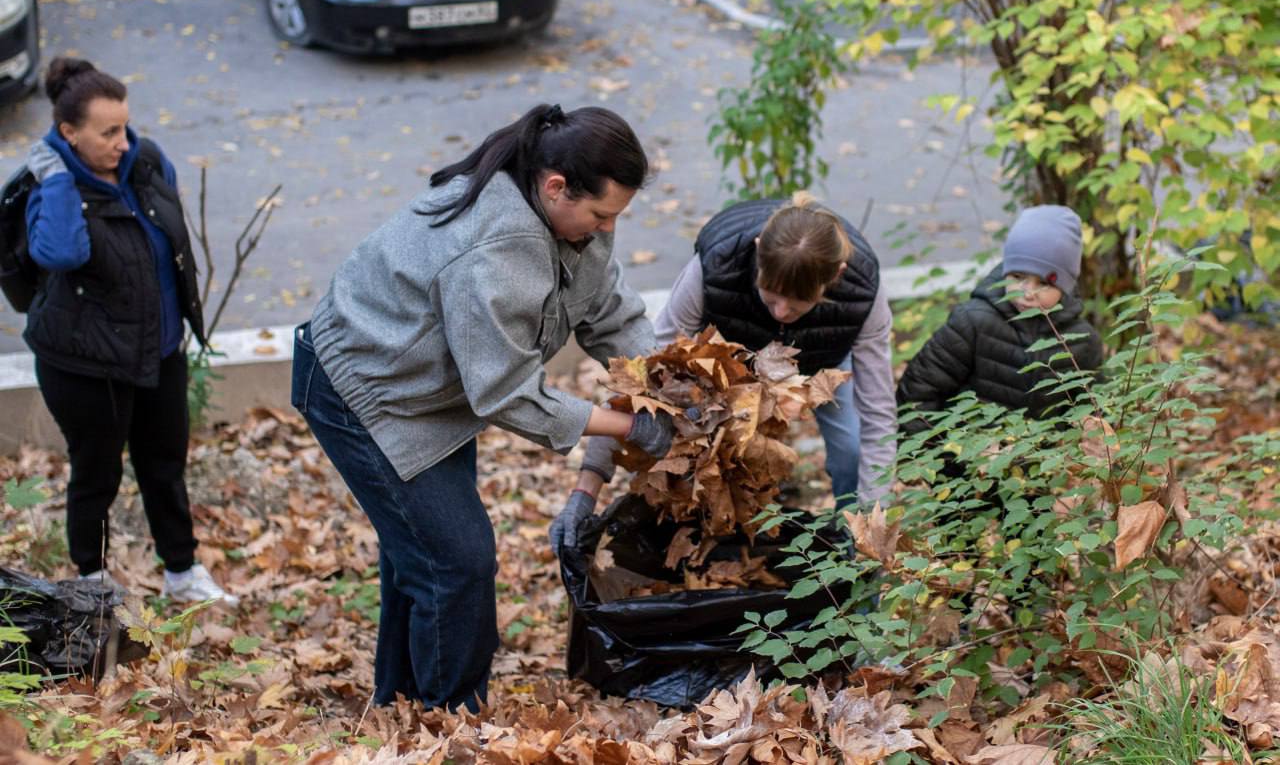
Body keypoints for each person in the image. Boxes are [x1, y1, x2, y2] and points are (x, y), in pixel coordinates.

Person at [293, 103, 674, 712]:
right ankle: (452, 723)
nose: (606, 229)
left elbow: (608, 309)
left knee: (421, 553)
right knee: (458, 563)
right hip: (362, 388)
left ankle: (402, 707)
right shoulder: (496, 244)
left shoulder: (570, 220)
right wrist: (628, 424)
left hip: (428, 387)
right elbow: (503, 389)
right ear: (556, 188)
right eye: (600, 214)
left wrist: (667, 384)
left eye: (615, 217)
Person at [21, 57, 233, 605]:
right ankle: (89, 584)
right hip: (86, 363)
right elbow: (62, 253)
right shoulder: (51, 190)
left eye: (125, 126)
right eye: (107, 132)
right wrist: (61, 179)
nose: (123, 141)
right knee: (95, 475)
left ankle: (182, 573)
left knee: (165, 466)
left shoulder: (145, 163)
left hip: (158, 350)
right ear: (68, 134)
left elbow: (170, 234)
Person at [556, 193, 898, 518]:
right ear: (759, 252)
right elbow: (644, 375)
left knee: (853, 450)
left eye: (797, 306)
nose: (780, 312)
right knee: (706, 455)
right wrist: (587, 486)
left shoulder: (862, 292)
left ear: (835, 276)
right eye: (771, 296)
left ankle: (852, 542)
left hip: (824, 360)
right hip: (730, 365)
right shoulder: (717, 264)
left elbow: (878, 413)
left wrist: (872, 525)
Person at [896, 205, 1105, 435]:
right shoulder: (973, 322)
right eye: (1018, 277)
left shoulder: (1081, 341)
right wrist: (945, 455)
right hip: (967, 463)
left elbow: (1096, 407)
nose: (1028, 292)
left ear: (1065, 286)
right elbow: (918, 393)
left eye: (1043, 283)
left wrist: (1093, 434)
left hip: (1047, 466)